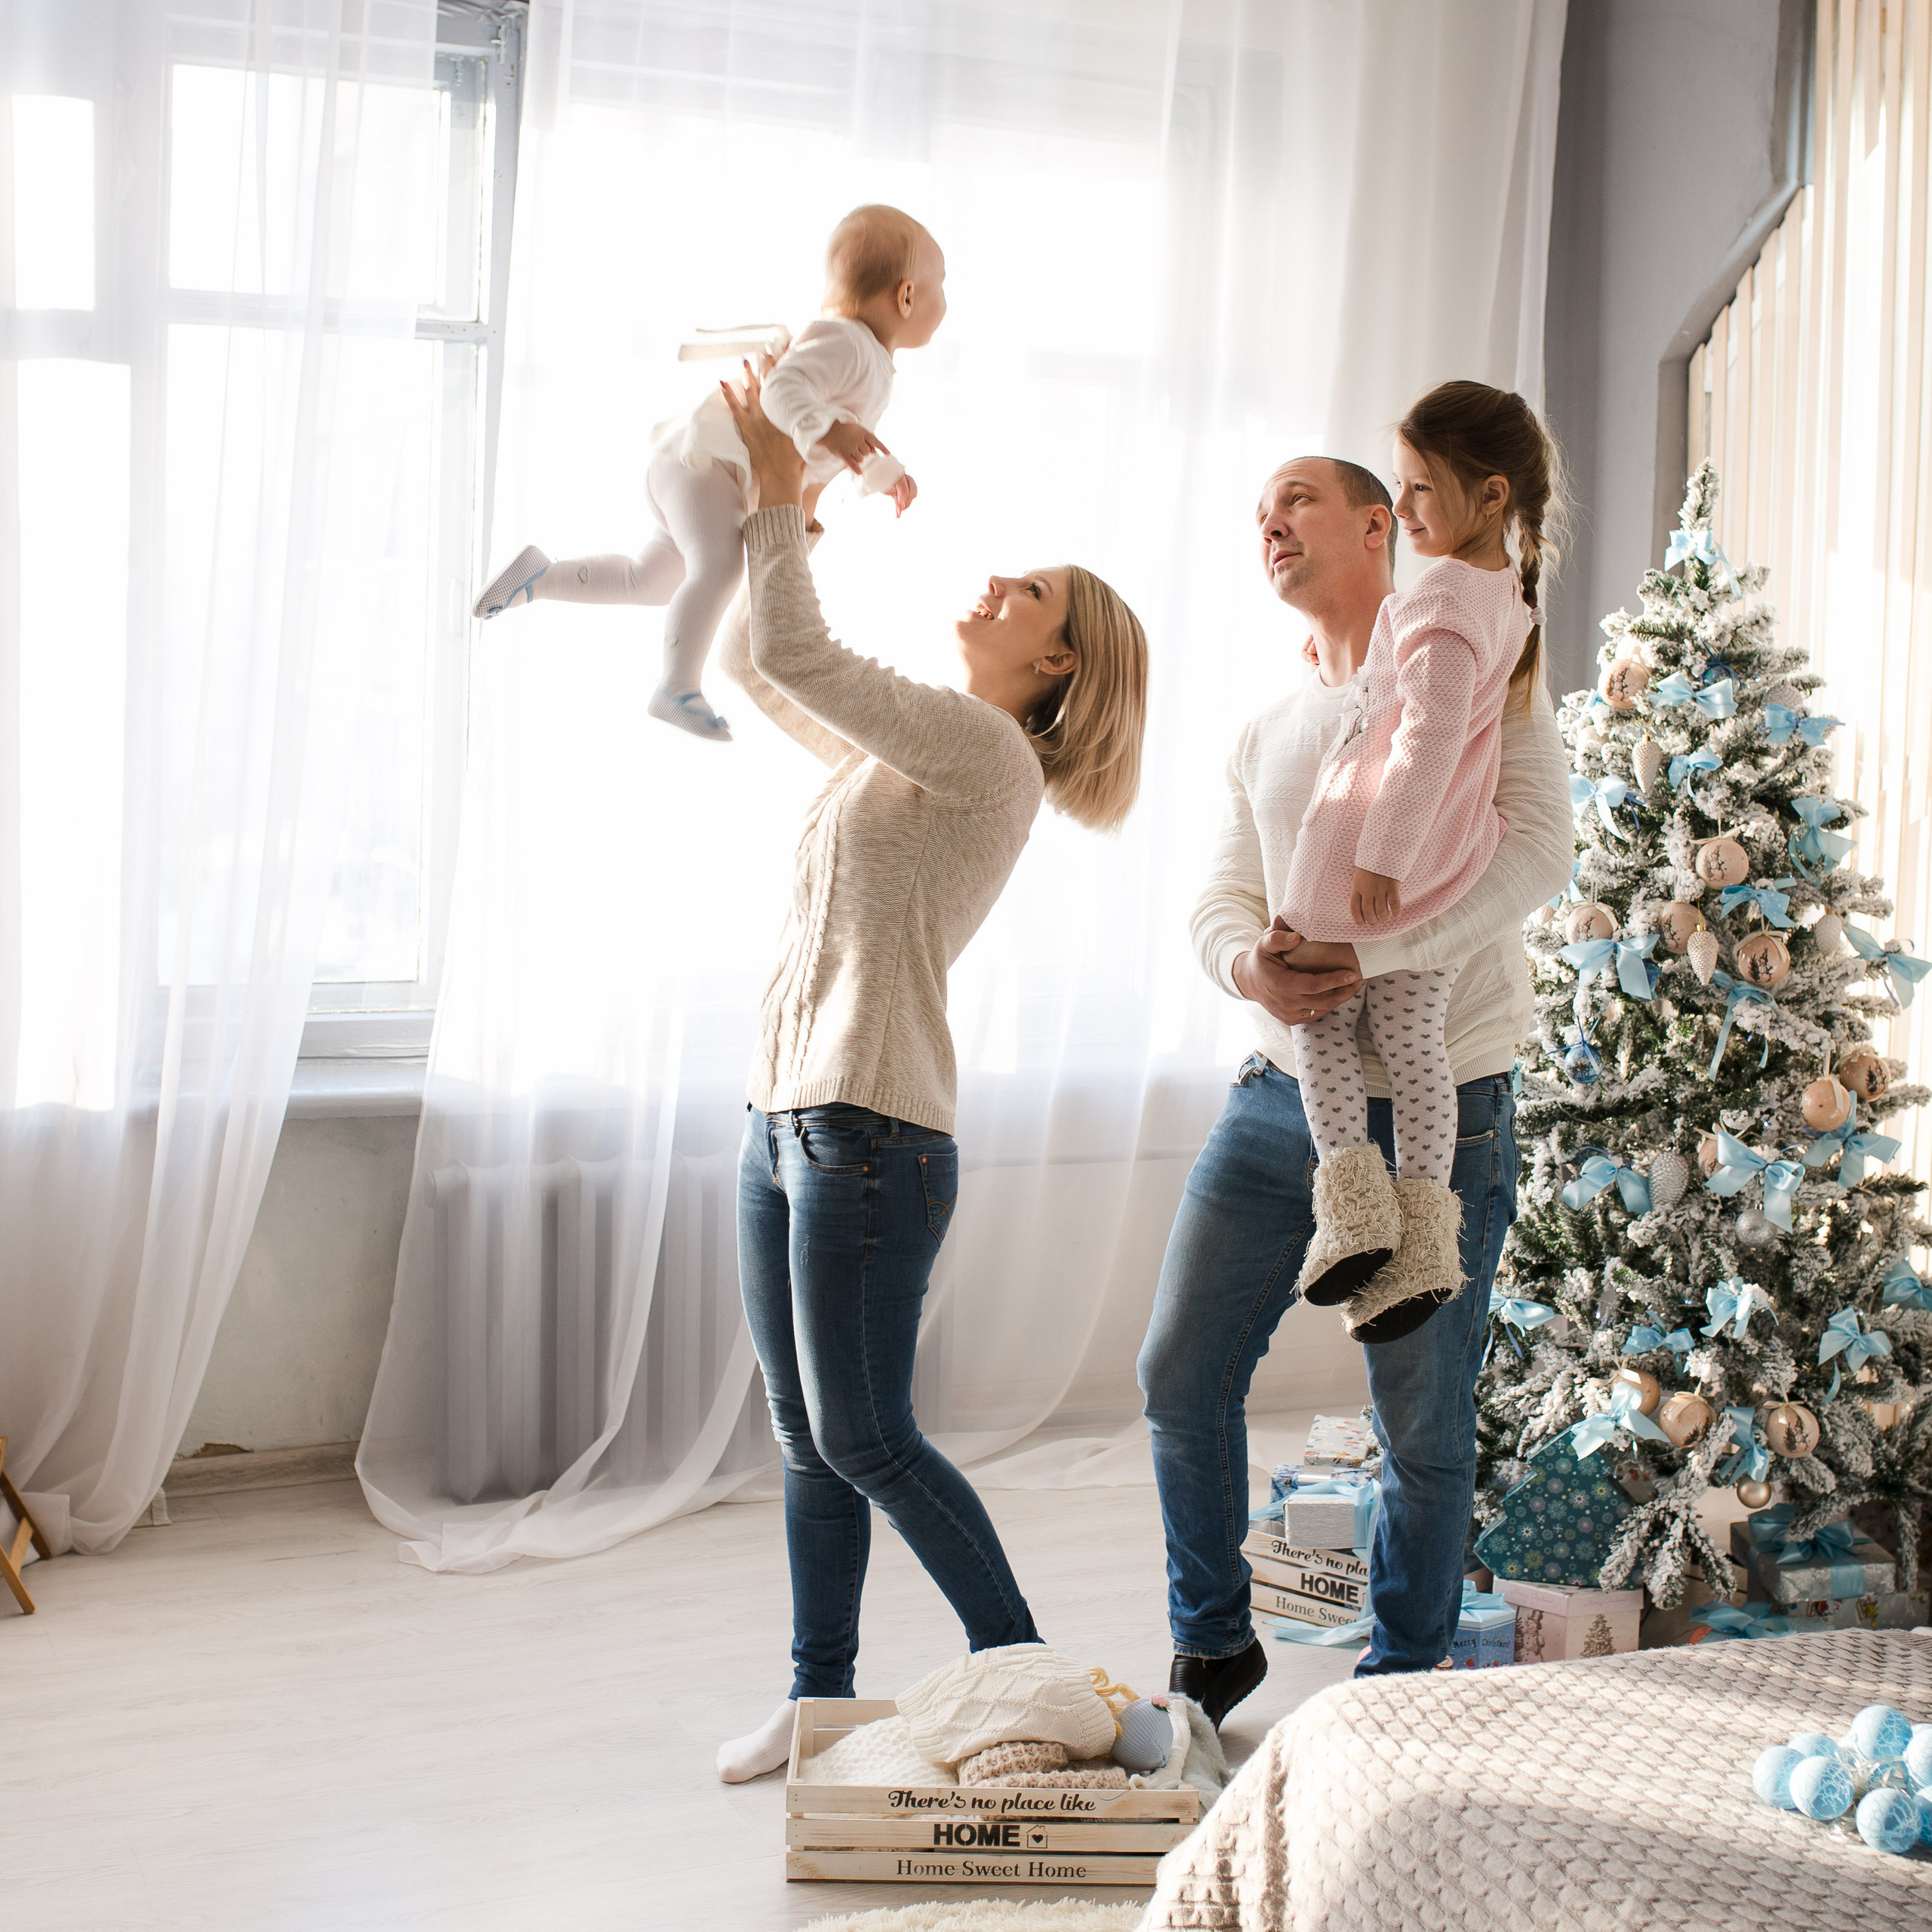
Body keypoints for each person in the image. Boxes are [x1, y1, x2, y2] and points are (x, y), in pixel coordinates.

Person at [709, 360, 1150, 1783]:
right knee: (806, 1434)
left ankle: (1048, 1689)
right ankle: (819, 1701)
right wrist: (798, 508)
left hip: (872, 1131)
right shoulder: (892, 759)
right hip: (787, 1118)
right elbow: (749, 660)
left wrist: (787, 491)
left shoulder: (983, 754)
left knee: (867, 1435)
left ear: (1061, 661)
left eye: (1029, 594)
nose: (994, 588)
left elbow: (800, 653)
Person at [1137, 450, 1571, 1721]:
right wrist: (1248, 969)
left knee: (1420, 1424)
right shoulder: (1267, 730)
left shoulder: (1485, 676)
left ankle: (1401, 1688)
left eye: (1294, 501)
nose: (1266, 524)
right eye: (1255, 512)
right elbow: (1223, 896)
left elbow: (1543, 854)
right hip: (1279, 1098)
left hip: (1453, 1106)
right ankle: (1212, 1645)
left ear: (1382, 525)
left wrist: (1369, 952)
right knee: (1180, 1369)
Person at [1278, 382, 1564, 1343]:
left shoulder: (1440, 592)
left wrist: (1379, 854)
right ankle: (1426, 1237)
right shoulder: (1508, 600)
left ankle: (1354, 1207)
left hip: (1389, 846)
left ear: (1489, 495)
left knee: (1319, 1025)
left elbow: (1427, 731)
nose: (1404, 514)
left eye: (1416, 491)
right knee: (1413, 1042)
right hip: (1447, 857)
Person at [469, 205, 941, 741]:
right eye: (941, 285)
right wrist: (830, 432)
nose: (943, 298)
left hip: (696, 473)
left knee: (648, 581)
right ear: (906, 295)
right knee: (717, 569)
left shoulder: (864, 358)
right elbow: (784, 392)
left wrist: (881, 473)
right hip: (709, 468)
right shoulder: (850, 343)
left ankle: (539, 578)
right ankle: (675, 686)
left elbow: (832, 452)